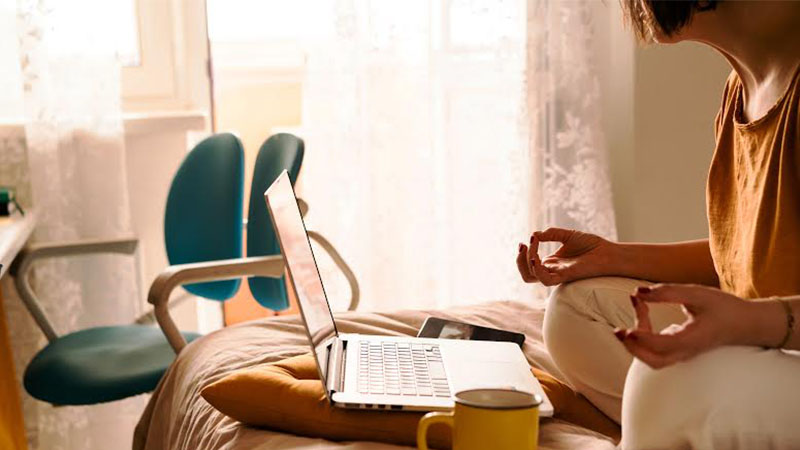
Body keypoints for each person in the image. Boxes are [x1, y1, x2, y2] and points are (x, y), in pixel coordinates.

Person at [516, 1, 800, 448]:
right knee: (577, 306)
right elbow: (750, 254)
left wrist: (755, 321)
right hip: (769, 338)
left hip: (782, 338)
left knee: (665, 378)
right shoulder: (741, 89)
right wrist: (613, 257)